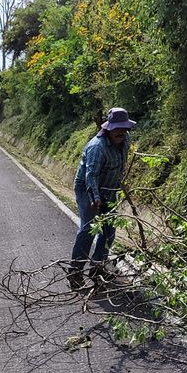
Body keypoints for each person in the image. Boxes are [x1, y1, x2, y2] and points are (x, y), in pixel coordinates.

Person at [67, 107, 136, 290]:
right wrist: (95, 198)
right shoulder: (97, 147)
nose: (121, 132)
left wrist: (118, 186)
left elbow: (121, 165)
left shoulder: (125, 141)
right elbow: (91, 176)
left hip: (109, 189)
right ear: (108, 128)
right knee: (89, 229)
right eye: (117, 129)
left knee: (108, 231)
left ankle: (97, 269)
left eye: (124, 129)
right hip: (88, 188)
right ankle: (75, 272)